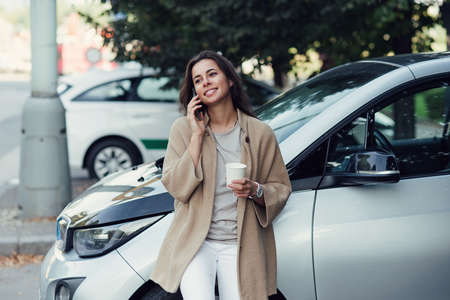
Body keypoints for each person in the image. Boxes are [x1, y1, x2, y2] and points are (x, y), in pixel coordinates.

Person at [150, 50, 291, 300]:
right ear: (195, 91)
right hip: (196, 241)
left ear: (230, 80)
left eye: (212, 74)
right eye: (197, 80)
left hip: (241, 243)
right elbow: (176, 187)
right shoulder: (183, 129)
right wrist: (196, 136)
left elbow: (280, 187)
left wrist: (255, 190)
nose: (205, 81)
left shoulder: (260, 133)